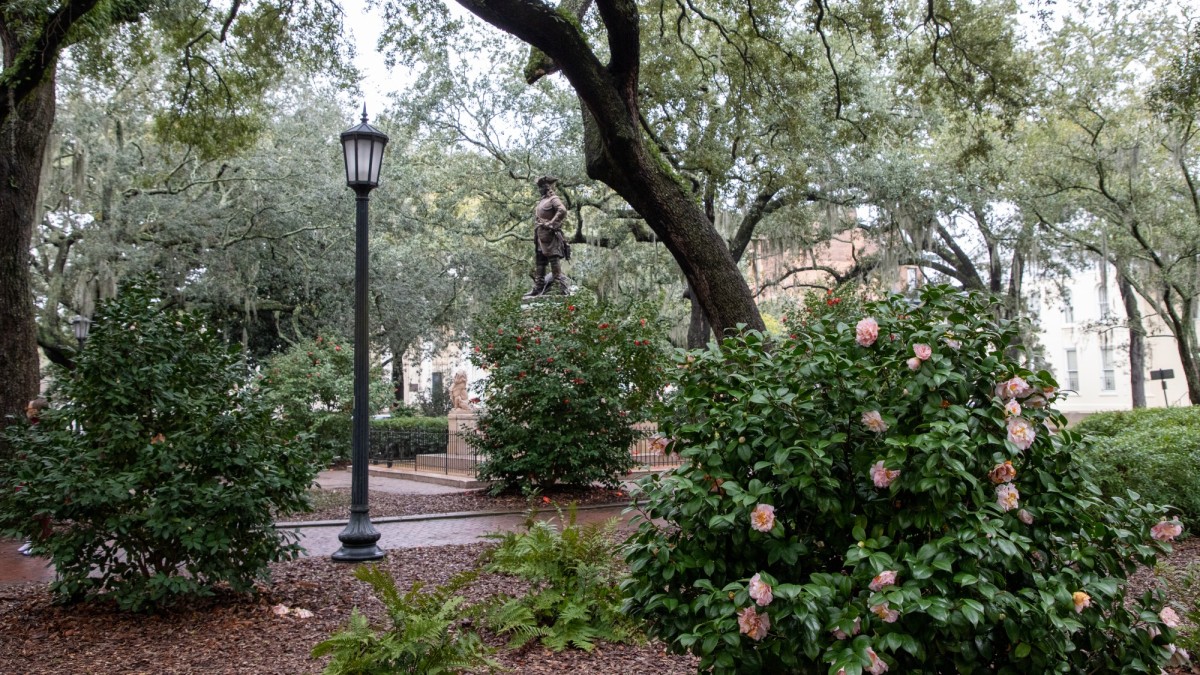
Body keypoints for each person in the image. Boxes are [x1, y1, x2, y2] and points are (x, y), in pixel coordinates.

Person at [523, 175, 570, 298]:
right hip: (539, 235)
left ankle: (561, 286)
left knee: (554, 260)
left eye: (541, 187)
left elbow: (562, 210)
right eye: (539, 187)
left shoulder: (553, 199)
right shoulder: (542, 201)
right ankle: (538, 287)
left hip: (550, 235)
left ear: (547, 187)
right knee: (540, 262)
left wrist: (551, 223)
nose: (539, 190)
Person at [17, 398, 49, 556]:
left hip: (36, 475)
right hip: (30, 473)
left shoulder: (40, 429)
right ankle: (32, 539)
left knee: (38, 509)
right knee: (32, 509)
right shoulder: (33, 428)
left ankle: (40, 541)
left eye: (29, 408)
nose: (27, 411)